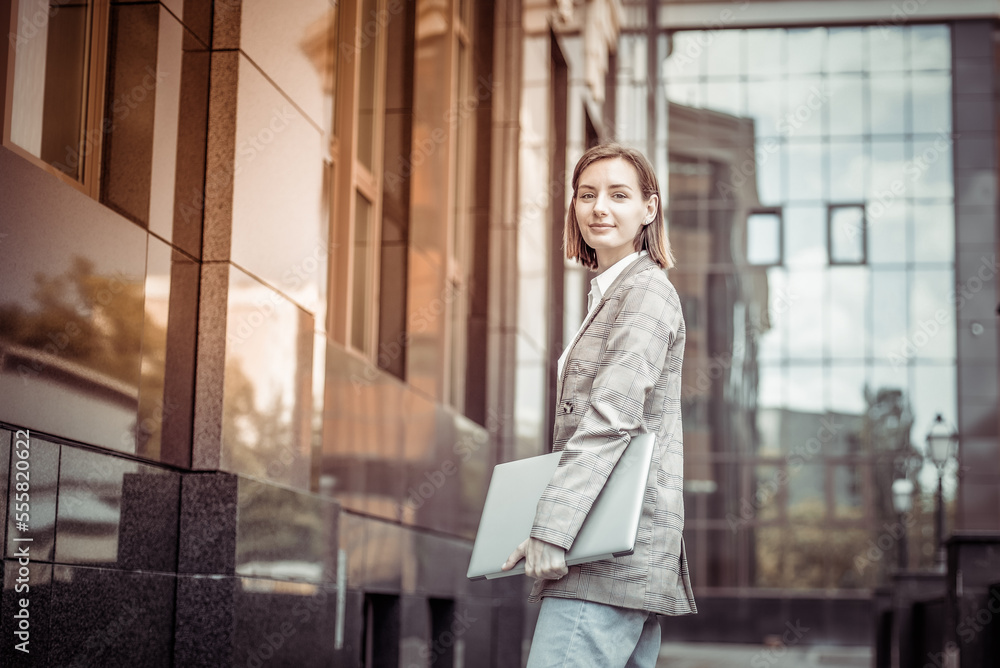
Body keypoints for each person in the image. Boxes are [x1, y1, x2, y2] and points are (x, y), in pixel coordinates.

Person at [501, 143, 696, 667]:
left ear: (649, 209)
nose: (598, 208)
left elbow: (611, 419)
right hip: (613, 547)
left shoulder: (646, 293)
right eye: (586, 195)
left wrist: (552, 526)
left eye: (618, 194)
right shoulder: (611, 292)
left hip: (606, 551)